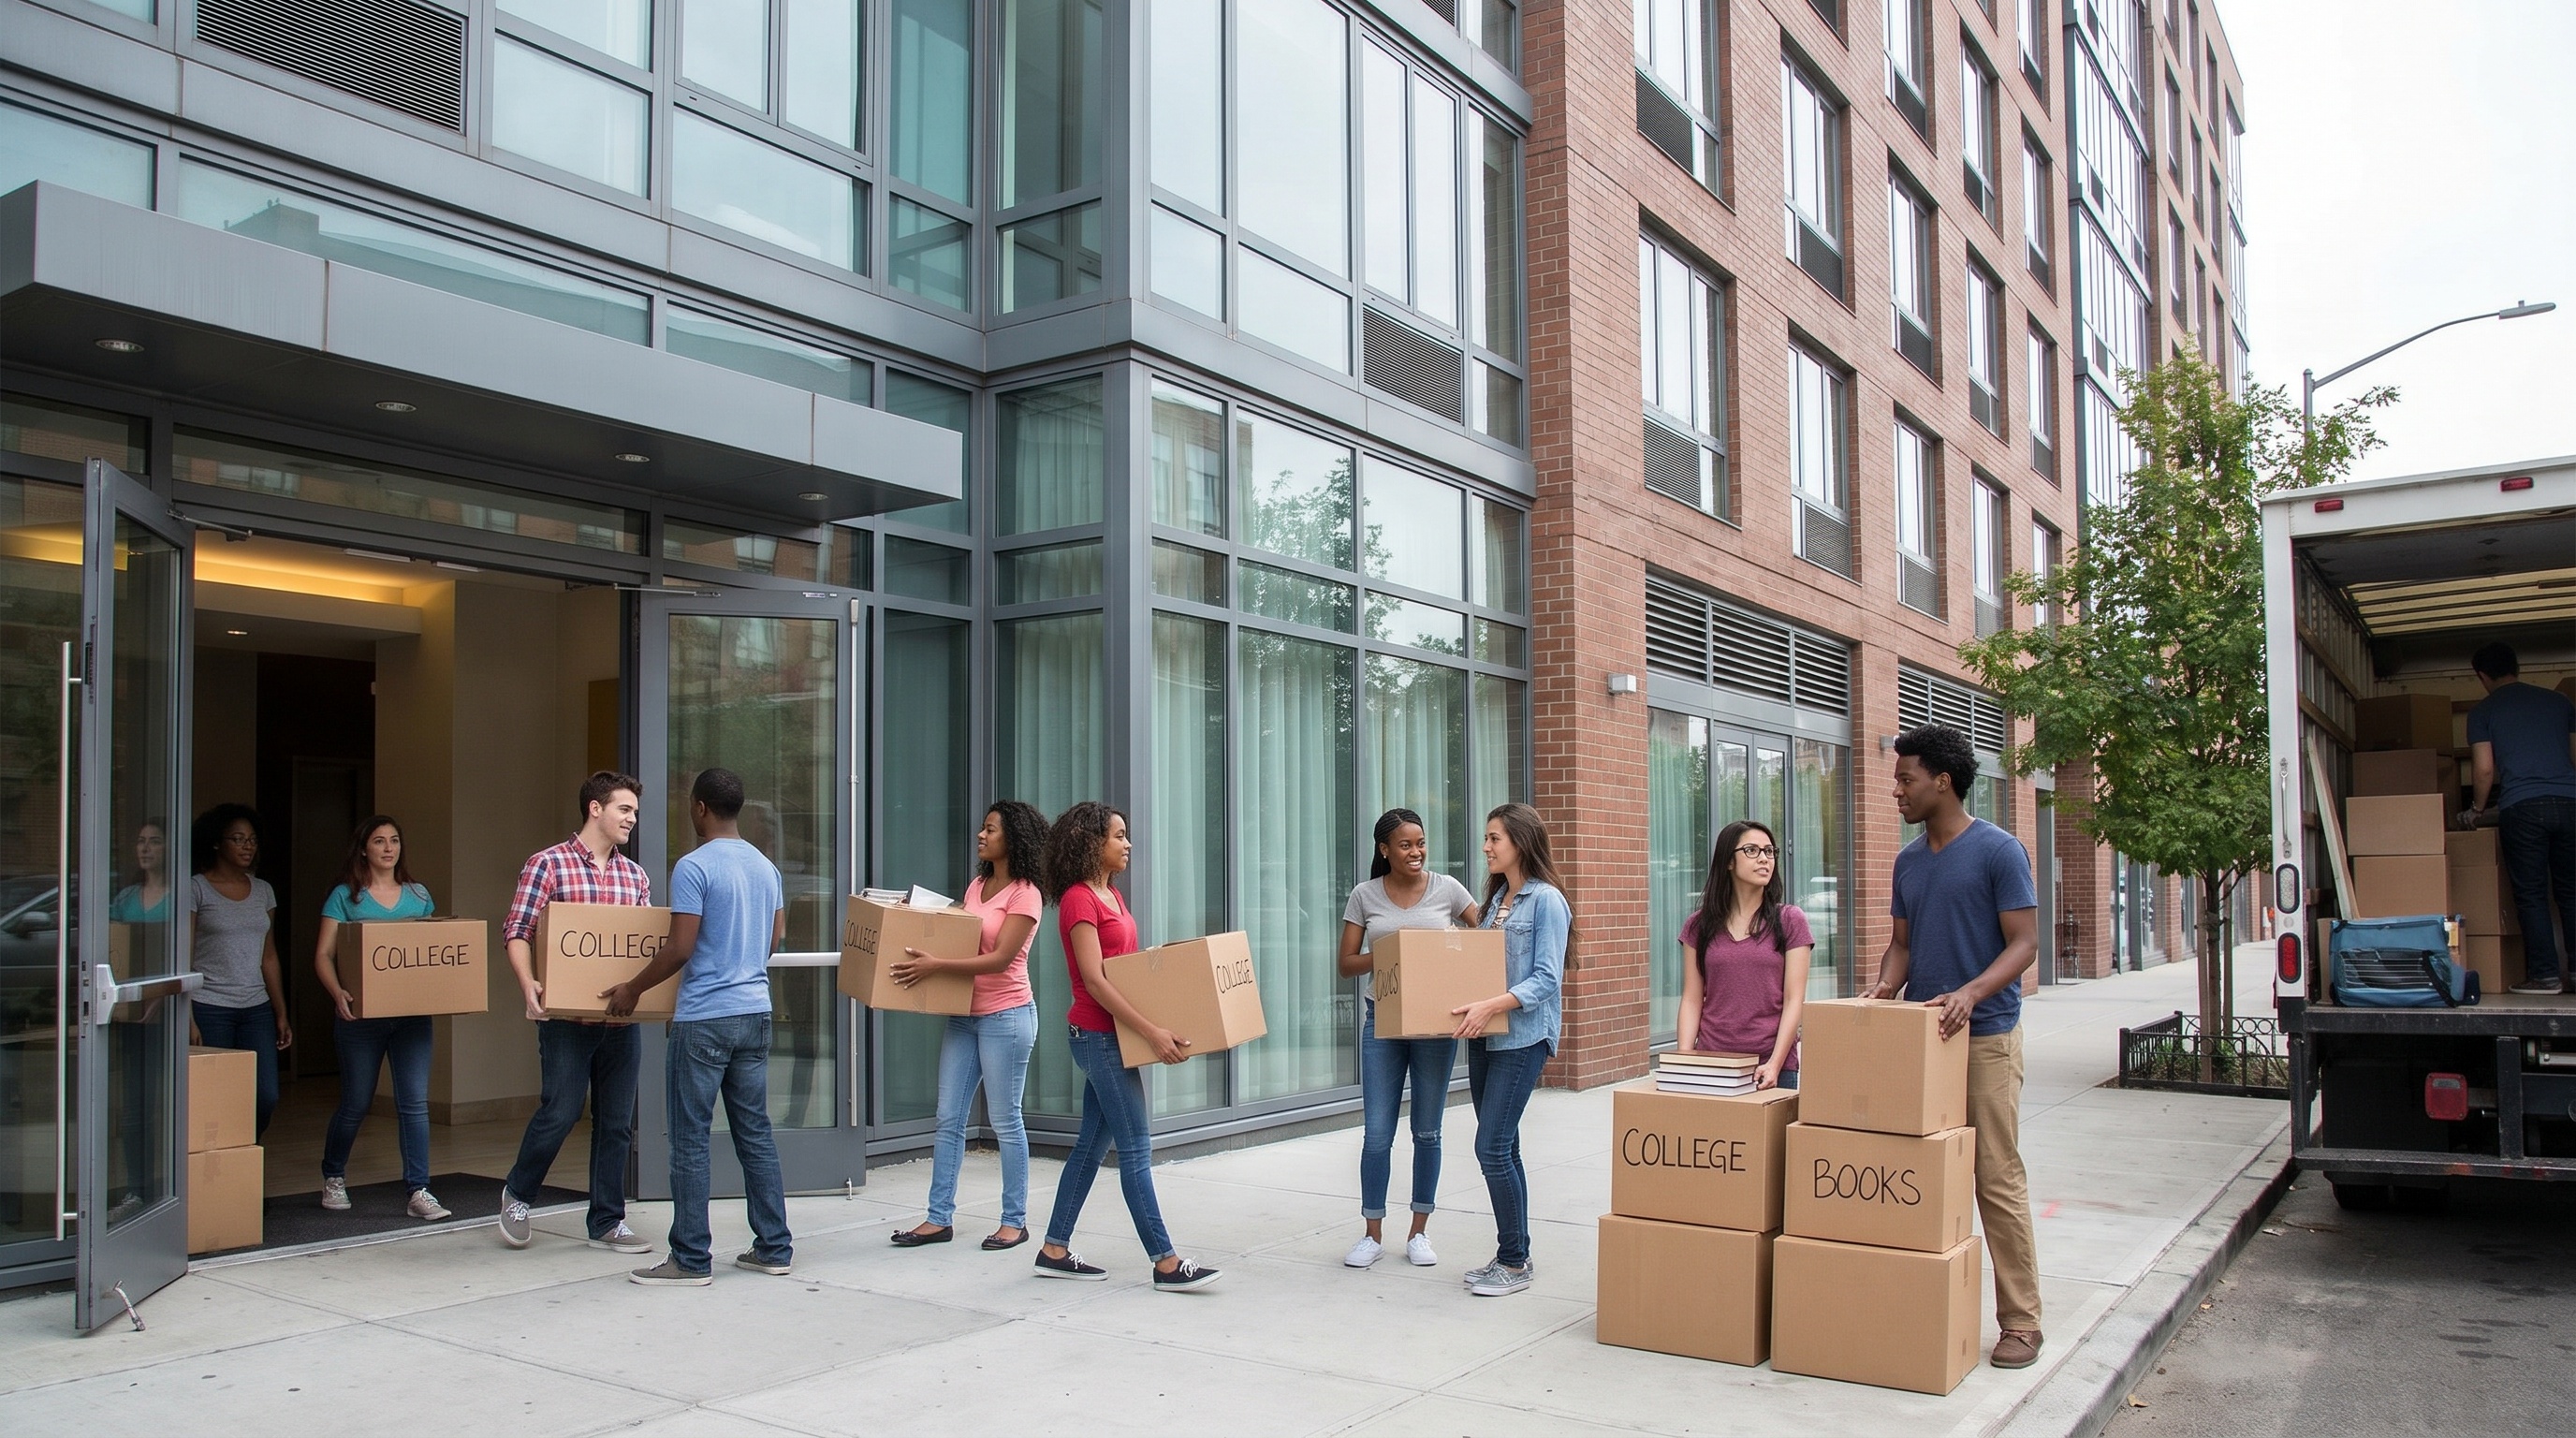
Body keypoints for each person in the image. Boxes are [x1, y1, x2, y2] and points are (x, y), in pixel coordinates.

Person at [1866, 724, 2043, 1370]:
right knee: (1917, 1178)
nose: (1896, 790)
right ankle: (1917, 1304)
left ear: (1943, 780)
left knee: (1995, 1178)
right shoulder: (1910, 861)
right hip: (1922, 1045)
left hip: (1987, 1037)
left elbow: (2025, 943)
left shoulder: (1999, 851)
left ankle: (2021, 1322)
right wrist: (1884, 989)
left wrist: (1970, 992)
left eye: (1905, 778)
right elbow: (1904, 947)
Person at [607, 768, 794, 1285]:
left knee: (689, 1138)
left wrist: (631, 990)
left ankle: (690, 1258)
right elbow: (774, 936)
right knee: (755, 1134)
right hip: (755, 1013)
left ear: (700, 808)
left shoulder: (693, 867)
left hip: (706, 1019)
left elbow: (679, 947)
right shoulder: (765, 867)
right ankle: (774, 1247)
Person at [1031, 801, 1220, 1292]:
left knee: (1092, 1146)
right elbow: (1094, 981)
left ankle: (1054, 1248)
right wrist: (1151, 1032)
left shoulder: (1109, 894)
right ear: (1092, 842)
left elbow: (1123, 967)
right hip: (1098, 1037)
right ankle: (1165, 1262)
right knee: (1135, 1147)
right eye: (1118, 836)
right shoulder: (1079, 898)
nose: (1127, 843)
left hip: (1113, 1035)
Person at [494, 770, 655, 1256]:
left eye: (633, 811)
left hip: (621, 1021)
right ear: (595, 808)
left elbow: (642, 945)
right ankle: (518, 1194)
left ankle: (607, 1220)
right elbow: (517, 930)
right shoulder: (549, 865)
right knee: (561, 1111)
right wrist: (529, 985)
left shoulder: (635, 876)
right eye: (624, 809)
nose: (632, 819)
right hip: (567, 1021)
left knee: (615, 1122)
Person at [889, 800, 1049, 1251]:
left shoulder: (1026, 894)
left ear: (1012, 838)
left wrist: (938, 966)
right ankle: (938, 1219)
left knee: (1004, 1120)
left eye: (991, 829)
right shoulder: (978, 885)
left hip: (1007, 1016)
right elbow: (954, 928)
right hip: (965, 1017)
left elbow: (1000, 960)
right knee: (948, 1118)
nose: (981, 836)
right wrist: (911, 912)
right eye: (982, 828)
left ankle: (1014, 1221)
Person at [1336, 807, 1480, 1269]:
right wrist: (1394, 952)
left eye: (1420, 843)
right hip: (1383, 1022)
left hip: (1436, 1026)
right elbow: (1346, 964)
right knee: (1377, 1134)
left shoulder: (1448, 890)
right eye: (1405, 845)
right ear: (1384, 850)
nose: (1415, 852)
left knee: (1427, 1130)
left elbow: (1488, 939)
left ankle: (1419, 1231)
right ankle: (1372, 1233)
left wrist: (1449, 955)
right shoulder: (1365, 895)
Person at [1453, 803, 1571, 1299]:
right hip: (1485, 1036)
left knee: (1491, 1146)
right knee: (1505, 1146)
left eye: (1494, 838)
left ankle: (1514, 1261)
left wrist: (1490, 1005)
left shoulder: (1547, 902)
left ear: (1520, 841)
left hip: (1522, 1038)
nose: (1486, 847)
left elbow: (1546, 977)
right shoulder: (1498, 897)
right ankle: (1513, 1252)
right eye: (1486, 838)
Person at [311, 815, 449, 1221]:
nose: (388, 848)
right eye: (378, 841)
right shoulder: (345, 896)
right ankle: (333, 1175)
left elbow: (431, 952)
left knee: (414, 1104)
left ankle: (419, 1190)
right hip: (362, 1018)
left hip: (411, 1016)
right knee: (356, 1102)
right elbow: (323, 954)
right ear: (363, 849)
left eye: (394, 841)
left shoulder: (419, 895)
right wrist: (338, 993)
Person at [2464, 643, 2576, 995]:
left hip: (2523, 808)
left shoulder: (2483, 711)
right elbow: (2574, 756)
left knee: (2531, 895)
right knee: (2572, 893)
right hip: (2570, 803)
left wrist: (2478, 810)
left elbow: (2484, 770)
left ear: (2482, 676)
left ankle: (2544, 976)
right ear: (2517, 667)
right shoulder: (2560, 703)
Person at [1677, 819, 1811, 1090]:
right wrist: (1684, 1058)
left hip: (1771, 1069)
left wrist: (1775, 1063)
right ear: (1728, 861)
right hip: (1713, 1063)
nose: (1764, 859)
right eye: (1752, 850)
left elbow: (1794, 1000)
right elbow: (1692, 999)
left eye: (1769, 851)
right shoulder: (1698, 925)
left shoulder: (1790, 920)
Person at [186, 804, 292, 1137]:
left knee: (265, 1095)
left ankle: (243, 1156)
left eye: (252, 840)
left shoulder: (263, 891)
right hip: (209, 1006)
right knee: (216, 1096)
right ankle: (222, 1172)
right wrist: (187, 1016)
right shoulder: (196, 888)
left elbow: (269, 956)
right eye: (237, 839)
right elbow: (183, 958)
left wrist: (281, 1012)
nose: (248, 846)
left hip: (256, 1008)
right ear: (217, 843)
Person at [107, 819, 172, 1217]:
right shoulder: (126, 898)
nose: (146, 848)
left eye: (155, 842)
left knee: (174, 1103)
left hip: (172, 1013)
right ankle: (136, 1190)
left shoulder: (181, 895)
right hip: (133, 1016)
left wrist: (163, 998)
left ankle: (179, 1189)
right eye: (141, 841)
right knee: (136, 1105)